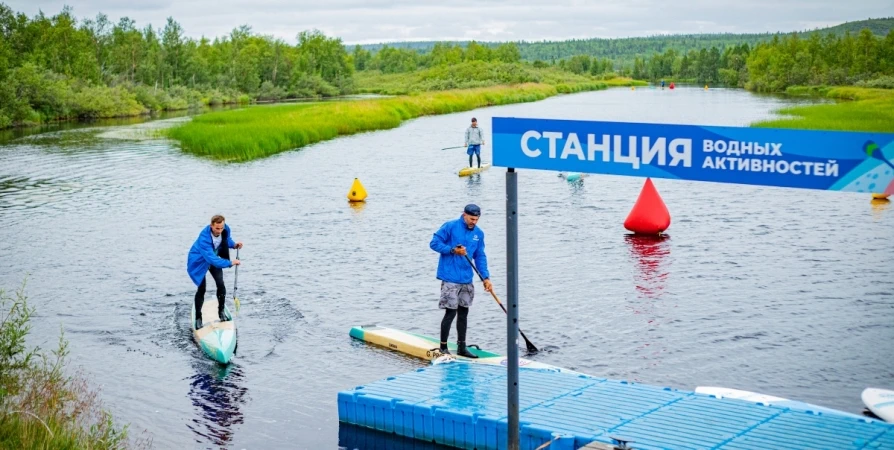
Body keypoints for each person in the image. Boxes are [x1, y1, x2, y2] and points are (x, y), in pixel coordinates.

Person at [429, 204, 493, 358]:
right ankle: (443, 347)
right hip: (450, 277)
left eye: (476, 219)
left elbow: (480, 256)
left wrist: (486, 278)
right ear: (464, 215)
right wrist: (453, 250)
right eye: (471, 218)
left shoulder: (478, 233)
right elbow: (434, 243)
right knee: (450, 313)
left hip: (466, 279)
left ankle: (461, 347)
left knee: (464, 313)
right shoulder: (450, 226)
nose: (474, 222)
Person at [187, 215, 243, 330]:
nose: (220, 231)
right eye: (217, 228)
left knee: (221, 284)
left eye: (221, 228)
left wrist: (234, 245)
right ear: (211, 226)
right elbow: (212, 259)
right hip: (199, 262)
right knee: (202, 289)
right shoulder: (204, 238)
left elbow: (226, 240)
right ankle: (198, 318)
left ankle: (221, 312)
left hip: (213, 258)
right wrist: (230, 262)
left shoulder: (225, 229)